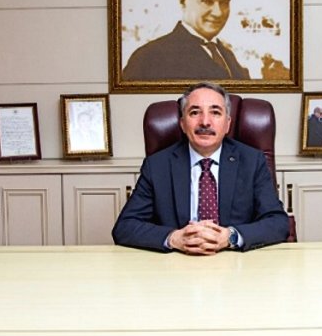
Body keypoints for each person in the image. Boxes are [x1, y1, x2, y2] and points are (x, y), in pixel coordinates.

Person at [112, 82, 289, 254]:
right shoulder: (157, 165)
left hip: (235, 262)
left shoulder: (252, 161)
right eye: (195, 112)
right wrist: (174, 238)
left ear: (227, 124)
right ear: (182, 123)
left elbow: (278, 223)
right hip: (176, 262)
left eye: (215, 112)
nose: (205, 122)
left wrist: (231, 237)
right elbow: (125, 227)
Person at [122, 0, 252, 80]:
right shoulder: (149, 57)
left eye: (224, 3)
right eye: (207, 1)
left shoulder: (228, 56)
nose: (218, 13)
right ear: (182, 0)